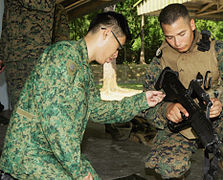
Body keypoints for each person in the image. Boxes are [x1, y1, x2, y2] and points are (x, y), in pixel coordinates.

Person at [0, 11, 165, 180]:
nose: (116, 54)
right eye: (118, 47)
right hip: (29, 155)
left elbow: (97, 110)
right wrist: (77, 169)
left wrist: (141, 101)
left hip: (52, 152)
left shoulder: (82, 67)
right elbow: (55, 122)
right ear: (106, 33)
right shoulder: (63, 56)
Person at [142, 3, 223, 179]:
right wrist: (165, 109)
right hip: (180, 129)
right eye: (169, 37)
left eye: (182, 34)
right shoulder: (159, 61)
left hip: (216, 122)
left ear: (192, 24)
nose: (177, 42)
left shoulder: (218, 50)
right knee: (168, 167)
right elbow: (144, 101)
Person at [0, 0, 56, 109]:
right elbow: (7, 20)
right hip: (13, 56)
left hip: (33, 54)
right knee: (18, 109)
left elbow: (48, 5)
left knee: (35, 108)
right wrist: (1, 54)